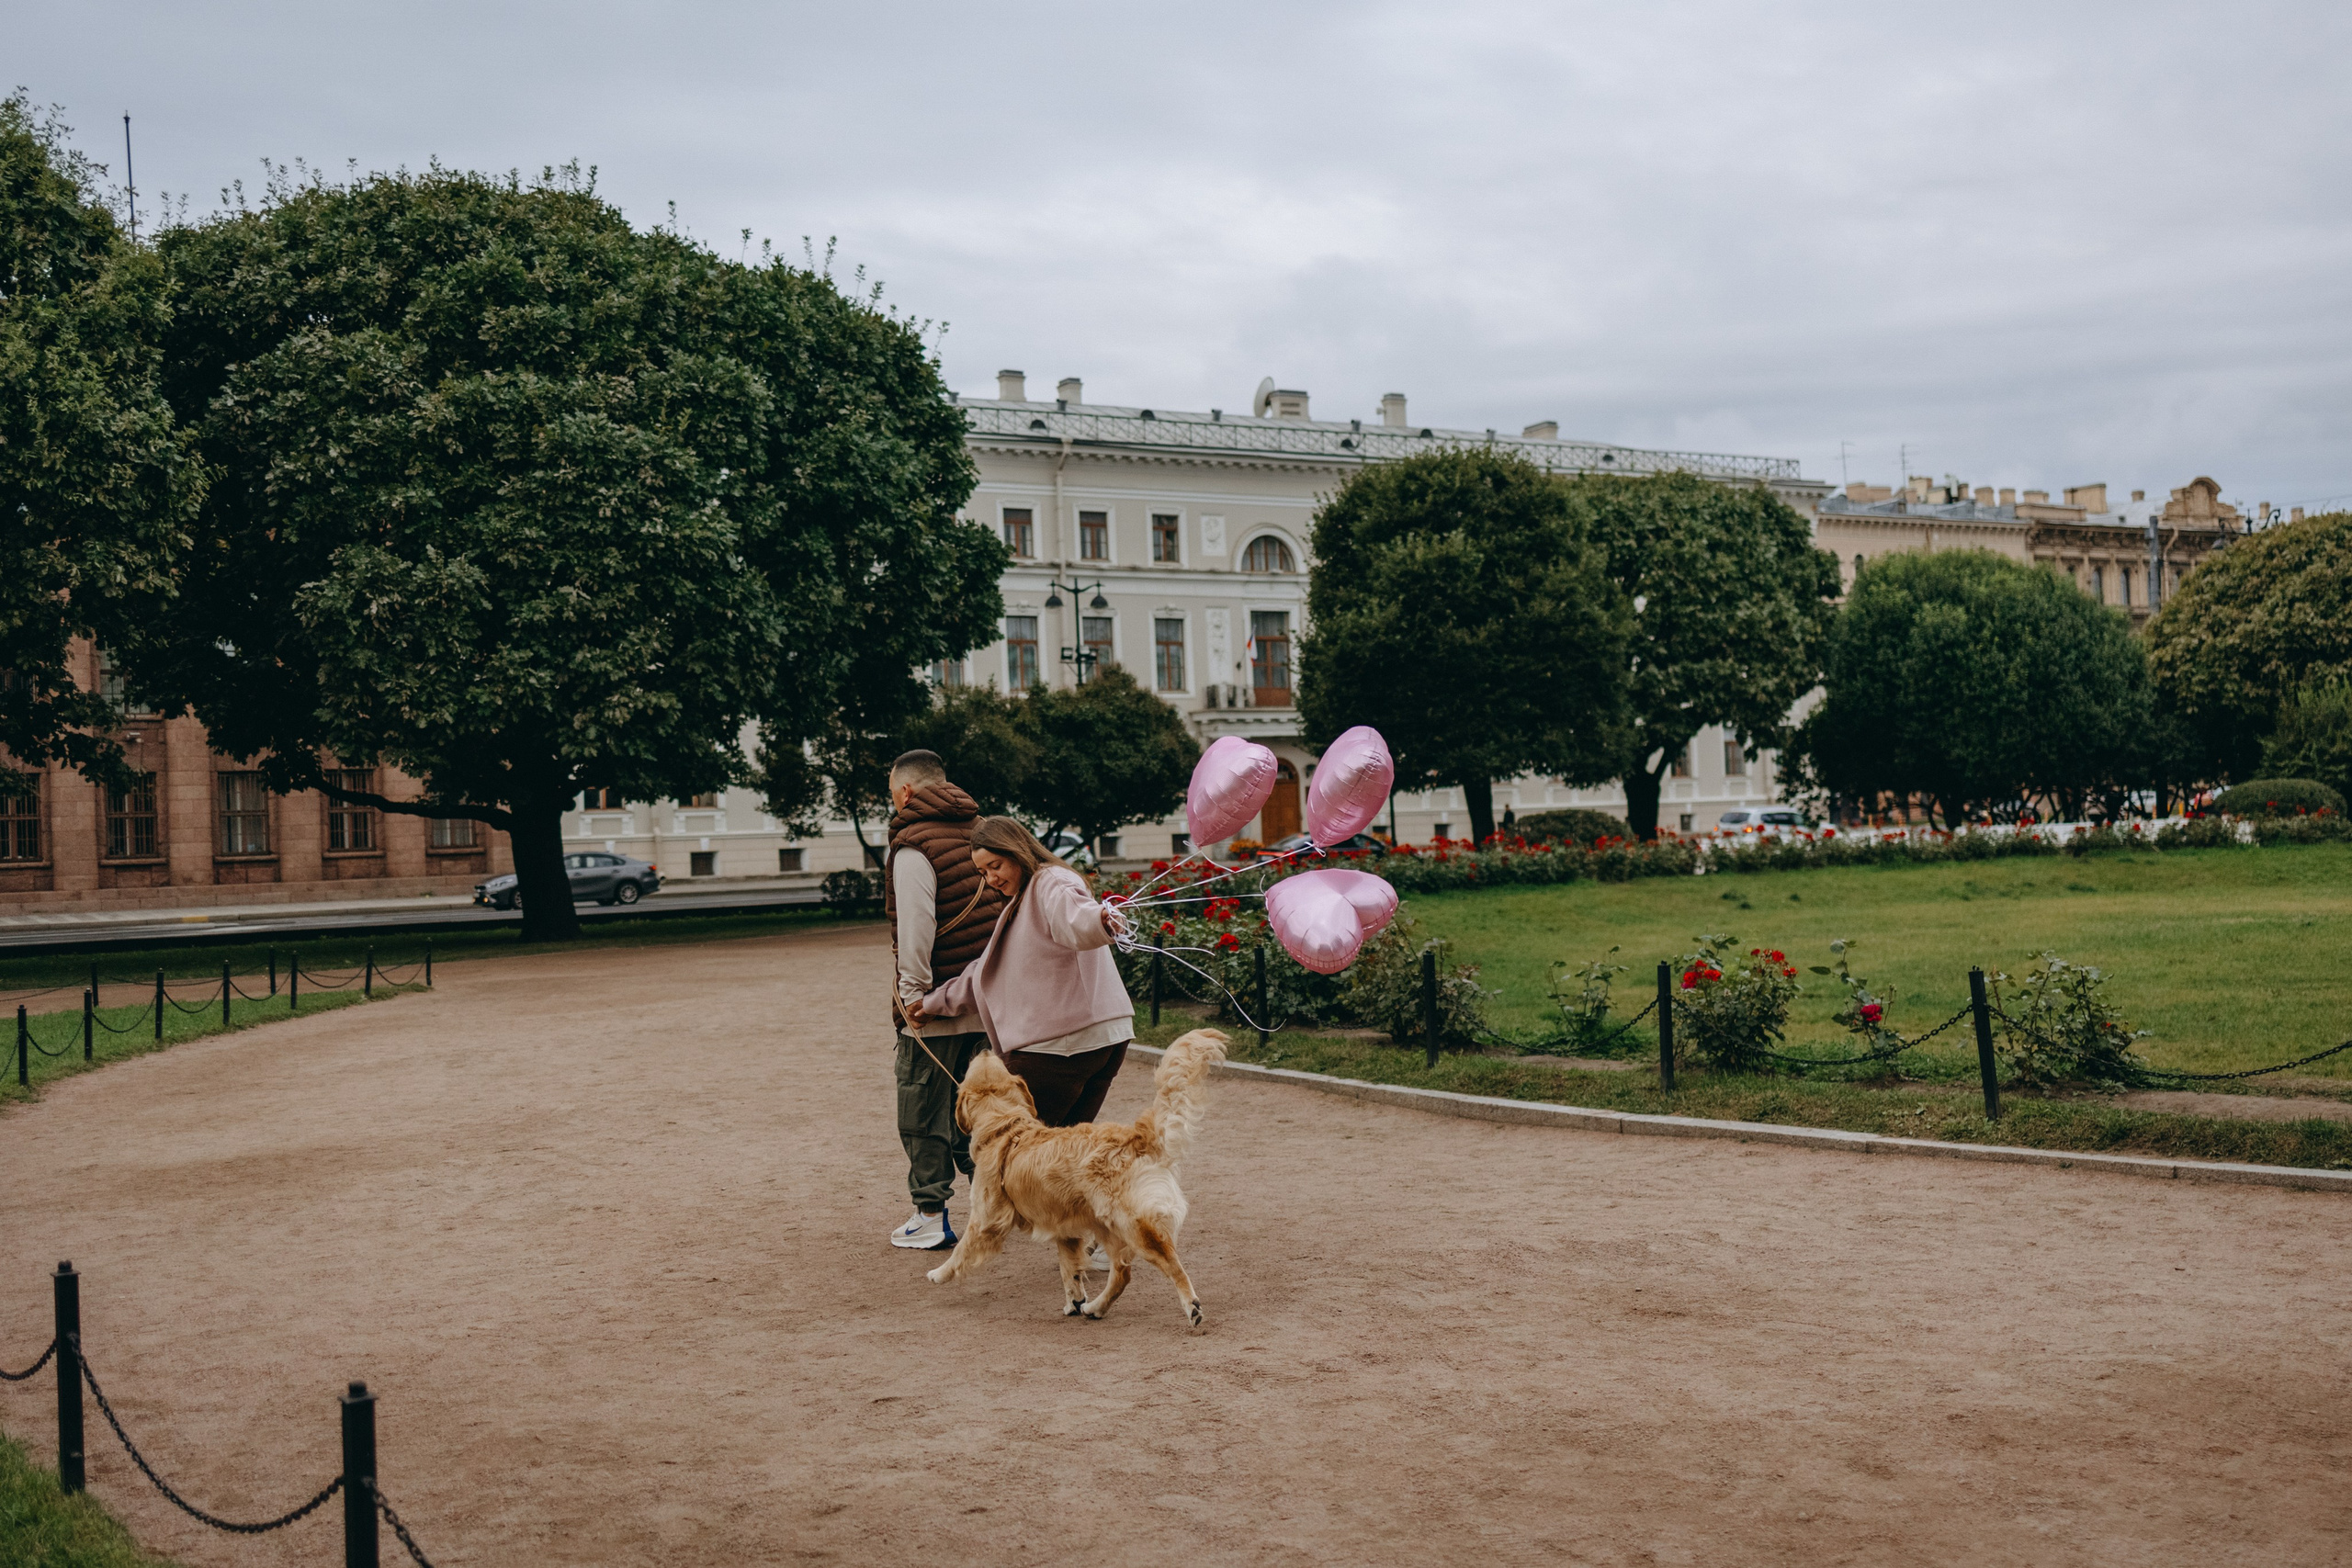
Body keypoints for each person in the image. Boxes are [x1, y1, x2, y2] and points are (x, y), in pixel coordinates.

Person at [909, 816, 1134, 1128]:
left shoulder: (1050, 880)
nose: (991, 878)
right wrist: (934, 1004)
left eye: (996, 865)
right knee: (1061, 1151)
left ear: (1017, 851)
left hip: (1063, 1042)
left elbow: (1076, 917)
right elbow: (988, 973)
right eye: (982, 872)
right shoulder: (1026, 897)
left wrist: (1101, 921)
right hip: (1103, 1035)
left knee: (1015, 1150)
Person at [882, 751, 1009, 1251]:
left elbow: (916, 931)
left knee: (923, 1111)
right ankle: (999, 1205)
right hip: (991, 1001)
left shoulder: (913, 848)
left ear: (907, 794)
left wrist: (914, 1000)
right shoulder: (985, 835)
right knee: (986, 1112)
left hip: (935, 1004)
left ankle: (930, 1215)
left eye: (893, 795)